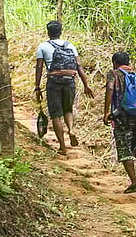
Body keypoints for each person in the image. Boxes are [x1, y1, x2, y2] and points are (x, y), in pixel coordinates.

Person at [35, 21, 93, 155]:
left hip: (54, 82)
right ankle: (71, 130)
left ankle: (62, 147)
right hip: (69, 81)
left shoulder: (43, 46)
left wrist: (37, 87)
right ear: (60, 32)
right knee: (68, 109)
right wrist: (86, 85)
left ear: (48, 32)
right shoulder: (70, 45)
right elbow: (78, 66)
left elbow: (39, 67)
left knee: (56, 115)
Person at [103, 51, 136, 193]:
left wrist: (106, 112)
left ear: (115, 63)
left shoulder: (114, 74)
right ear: (128, 63)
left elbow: (110, 88)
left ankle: (134, 183)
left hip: (122, 118)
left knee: (124, 149)